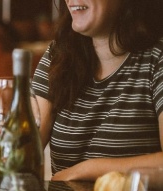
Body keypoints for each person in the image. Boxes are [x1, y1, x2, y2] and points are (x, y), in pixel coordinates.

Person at [32, 0, 163, 181]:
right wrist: (8, 163)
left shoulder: (157, 58)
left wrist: (85, 170)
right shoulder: (58, 54)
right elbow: (27, 145)